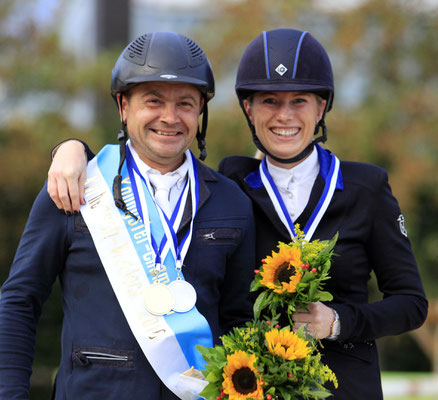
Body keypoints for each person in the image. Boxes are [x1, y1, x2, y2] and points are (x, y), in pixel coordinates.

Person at [44, 29, 428, 400]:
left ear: (321, 107)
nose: (284, 116)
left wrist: (339, 322)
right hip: (251, 389)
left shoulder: (368, 188)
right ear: (248, 107)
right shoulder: (232, 183)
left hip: (345, 388)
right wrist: (71, 147)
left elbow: (411, 303)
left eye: (299, 101)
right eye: (270, 102)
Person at [0, 31, 256, 400]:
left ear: (200, 110)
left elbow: (238, 320)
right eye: (153, 101)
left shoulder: (231, 201)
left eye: (185, 103)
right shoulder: (75, 185)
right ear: (123, 106)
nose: (170, 118)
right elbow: (20, 300)